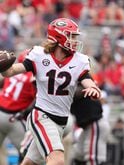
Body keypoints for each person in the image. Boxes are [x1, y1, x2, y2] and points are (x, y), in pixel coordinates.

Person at [1, 17, 101, 165]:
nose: (75, 40)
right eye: (71, 36)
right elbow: (11, 72)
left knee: (30, 163)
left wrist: (93, 88)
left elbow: (88, 80)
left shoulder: (80, 61)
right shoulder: (39, 55)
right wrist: (3, 67)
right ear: (59, 36)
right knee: (57, 160)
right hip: (42, 116)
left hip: (60, 121)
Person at [0, 49, 36, 163]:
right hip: (13, 118)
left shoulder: (11, 73)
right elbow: (37, 100)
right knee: (29, 154)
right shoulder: (31, 77)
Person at [70, 85, 110, 165]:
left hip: (95, 124)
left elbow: (81, 89)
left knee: (93, 158)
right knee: (78, 156)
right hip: (87, 126)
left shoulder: (81, 80)